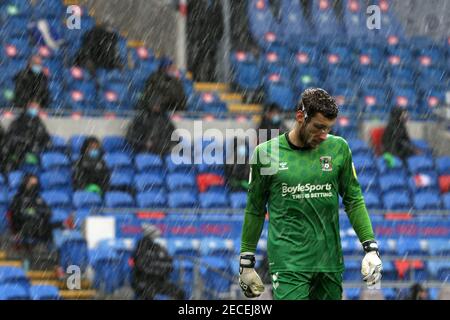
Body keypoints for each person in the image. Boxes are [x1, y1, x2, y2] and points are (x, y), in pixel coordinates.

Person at [238, 88, 383, 300]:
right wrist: (246, 261)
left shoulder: (339, 149)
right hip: (288, 264)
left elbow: (354, 200)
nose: (323, 135)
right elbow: (255, 209)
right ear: (300, 117)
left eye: (328, 129)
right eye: (318, 127)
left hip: (329, 262)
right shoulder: (267, 154)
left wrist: (370, 248)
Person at [131, 224, 185, 300]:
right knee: (149, 294)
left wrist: (160, 269)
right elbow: (141, 267)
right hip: (143, 282)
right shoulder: (140, 249)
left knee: (180, 293)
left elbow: (169, 264)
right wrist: (159, 269)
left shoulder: (158, 248)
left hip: (157, 282)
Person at [0, 102, 51, 173]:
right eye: (33, 107)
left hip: (34, 152)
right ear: (28, 108)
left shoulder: (40, 124)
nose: (35, 110)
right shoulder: (18, 122)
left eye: (37, 108)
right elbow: (11, 137)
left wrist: (41, 146)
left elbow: (46, 139)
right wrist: (25, 143)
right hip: (19, 152)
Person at [8, 174, 54, 245]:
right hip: (24, 227)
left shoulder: (38, 198)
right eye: (32, 184)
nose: (34, 187)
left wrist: (37, 212)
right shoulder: (18, 198)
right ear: (25, 184)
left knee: (57, 226)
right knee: (42, 225)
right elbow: (18, 214)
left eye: (36, 185)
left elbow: (48, 212)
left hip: (39, 225)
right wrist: (36, 212)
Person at [187, 0, 224, 82]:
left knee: (211, 59)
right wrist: (194, 33)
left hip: (211, 37)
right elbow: (191, 16)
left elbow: (220, 22)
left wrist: (218, 35)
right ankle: (195, 76)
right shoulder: (196, 3)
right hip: (200, 36)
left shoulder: (217, 4)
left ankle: (211, 78)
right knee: (200, 56)